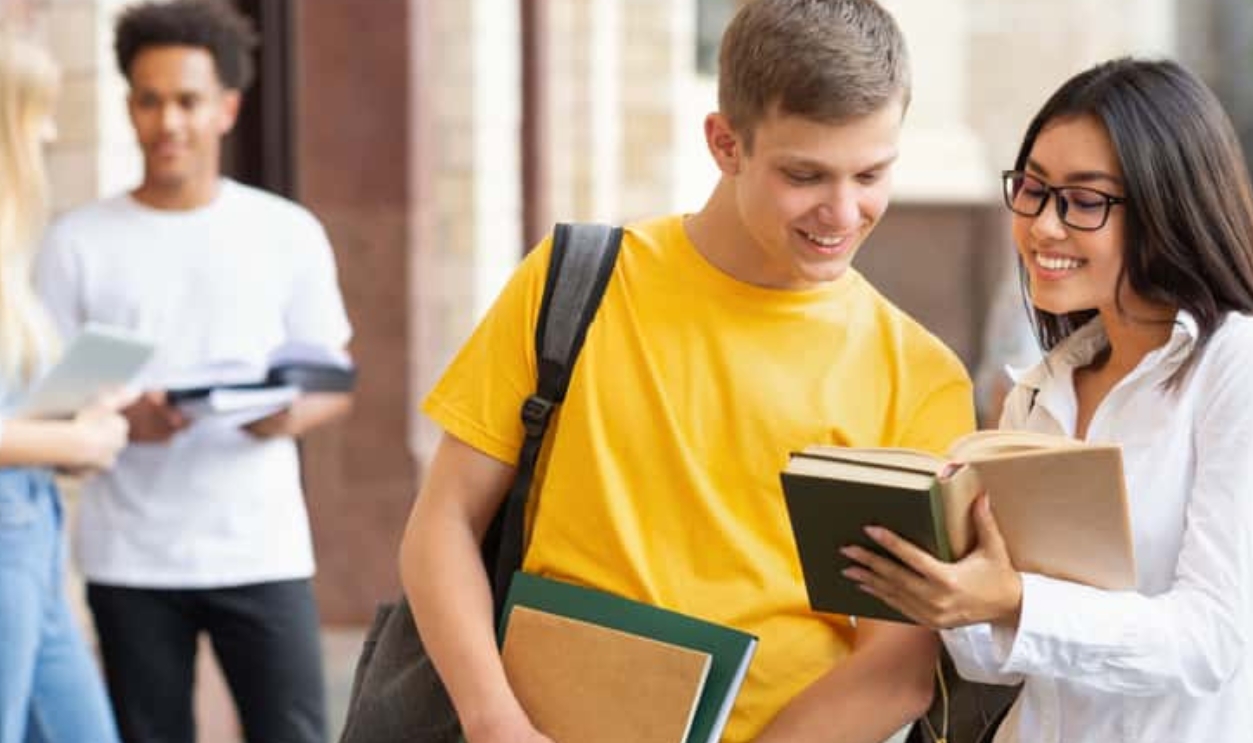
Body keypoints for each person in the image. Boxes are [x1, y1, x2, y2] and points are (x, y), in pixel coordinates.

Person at [401, 1, 976, 741]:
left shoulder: (917, 375)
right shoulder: (576, 282)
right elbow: (442, 519)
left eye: (870, 173)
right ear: (723, 142)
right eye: (804, 175)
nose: (842, 211)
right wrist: (493, 720)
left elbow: (895, 667)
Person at [842, 58, 1253, 743]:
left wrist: (1013, 598)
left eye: (1084, 200)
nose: (1042, 225)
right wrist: (949, 591)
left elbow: (1210, 638)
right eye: (1031, 189)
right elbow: (1001, 665)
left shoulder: (1231, 367)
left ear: (1165, 205)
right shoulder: (1036, 395)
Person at [34, 2, 353, 741]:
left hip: (260, 545)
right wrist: (118, 421)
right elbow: (42, 412)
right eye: (150, 100)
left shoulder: (285, 232)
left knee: (295, 732)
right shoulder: (76, 242)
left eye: (187, 100)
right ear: (129, 108)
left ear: (226, 108)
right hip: (129, 558)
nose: (168, 121)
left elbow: (336, 380)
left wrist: (285, 413)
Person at [0, 28, 130, 743]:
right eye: (38, 111)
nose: (51, 131)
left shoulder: (10, 251)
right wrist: (70, 435)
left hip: (32, 532)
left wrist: (68, 430)